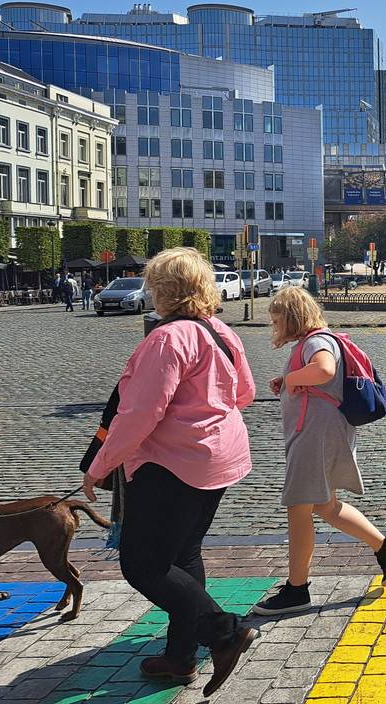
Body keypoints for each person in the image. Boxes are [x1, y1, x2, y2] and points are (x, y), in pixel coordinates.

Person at [80, 247, 257, 695]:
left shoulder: (166, 338)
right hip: (220, 457)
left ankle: (225, 631)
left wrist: (101, 465)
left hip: (173, 462)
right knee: (184, 555)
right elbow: (246, 394)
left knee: (143, 564)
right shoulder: (220, 330)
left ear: (162, 289)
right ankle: (180, 657)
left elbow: (138, 415)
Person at [253, 287, 386, 616]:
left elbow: (324, 371)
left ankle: (297, 589)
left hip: (313, 435)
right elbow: (320, 379)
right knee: (326, 505)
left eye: (276, 319)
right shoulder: (317, 340)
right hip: (322, 432)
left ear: (291, 318)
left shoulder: (314, 342)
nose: (273, 325)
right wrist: (288, 381)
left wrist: (292, 377)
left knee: (298, 507)